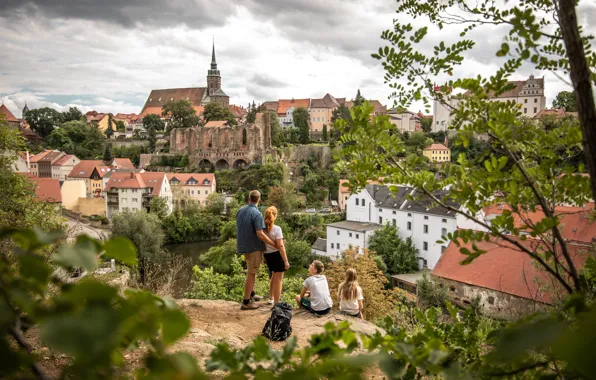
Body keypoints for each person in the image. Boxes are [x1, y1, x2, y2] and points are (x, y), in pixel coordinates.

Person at [236, 190, 278, 310]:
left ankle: (252, 294)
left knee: (250, 270)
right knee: (252, 274)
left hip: (243, 246)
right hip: (254, 247)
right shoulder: (257, 214)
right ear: (259, 200)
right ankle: (246, 302)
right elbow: (260, 234)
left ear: (249, 198)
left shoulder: (240, 210)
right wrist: (273, 243)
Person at [263, 206, 290, 306]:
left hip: (268, 256)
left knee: (274, 276)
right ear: (275, 216)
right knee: (279, 280)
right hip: (277, 256)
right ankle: (277, 304)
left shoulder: (263, 229)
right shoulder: (277, 229)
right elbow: (281, 246)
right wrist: (286, 261)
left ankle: (271, 298)